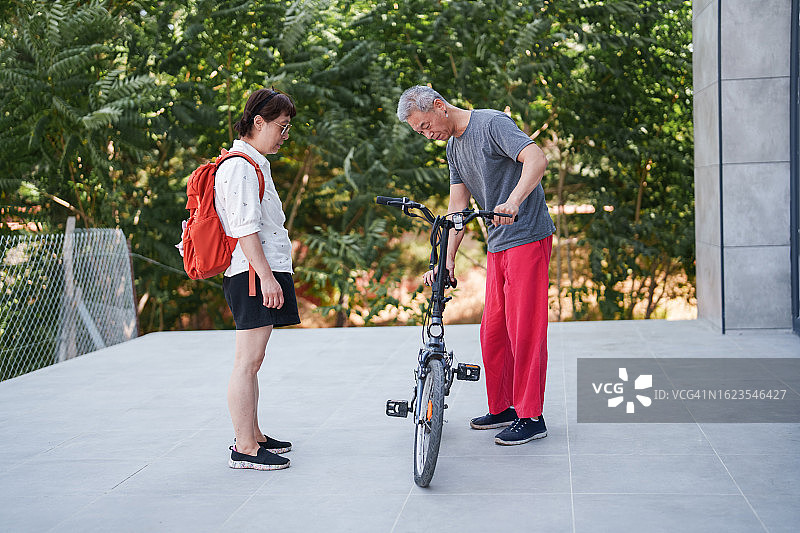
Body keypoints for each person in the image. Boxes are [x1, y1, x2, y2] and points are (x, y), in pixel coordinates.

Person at [397, 85, 554, 445]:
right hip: (498, 244)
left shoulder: (492, 124)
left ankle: (532, 417)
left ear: (439, 106)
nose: (426, 134)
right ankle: (504, 408)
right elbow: (456, 210)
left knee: (525, 329)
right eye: (419, 132)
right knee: (494, 330)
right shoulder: (454, 148)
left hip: (527, 234)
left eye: (425, 125)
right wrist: (446, 260)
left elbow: (537, 159)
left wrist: (513, 201)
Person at [216, 88, 300, 469]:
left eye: (289, 128)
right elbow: (245, 229)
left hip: (260, 272)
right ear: (258, 122)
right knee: (246, 361)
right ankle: (244, 447)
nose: (285, 135)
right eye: (281, 127)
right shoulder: (240, 166)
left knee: (255, 360)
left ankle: (255, 434)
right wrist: (267, 279)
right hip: (252, 275)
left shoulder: (255, 163)